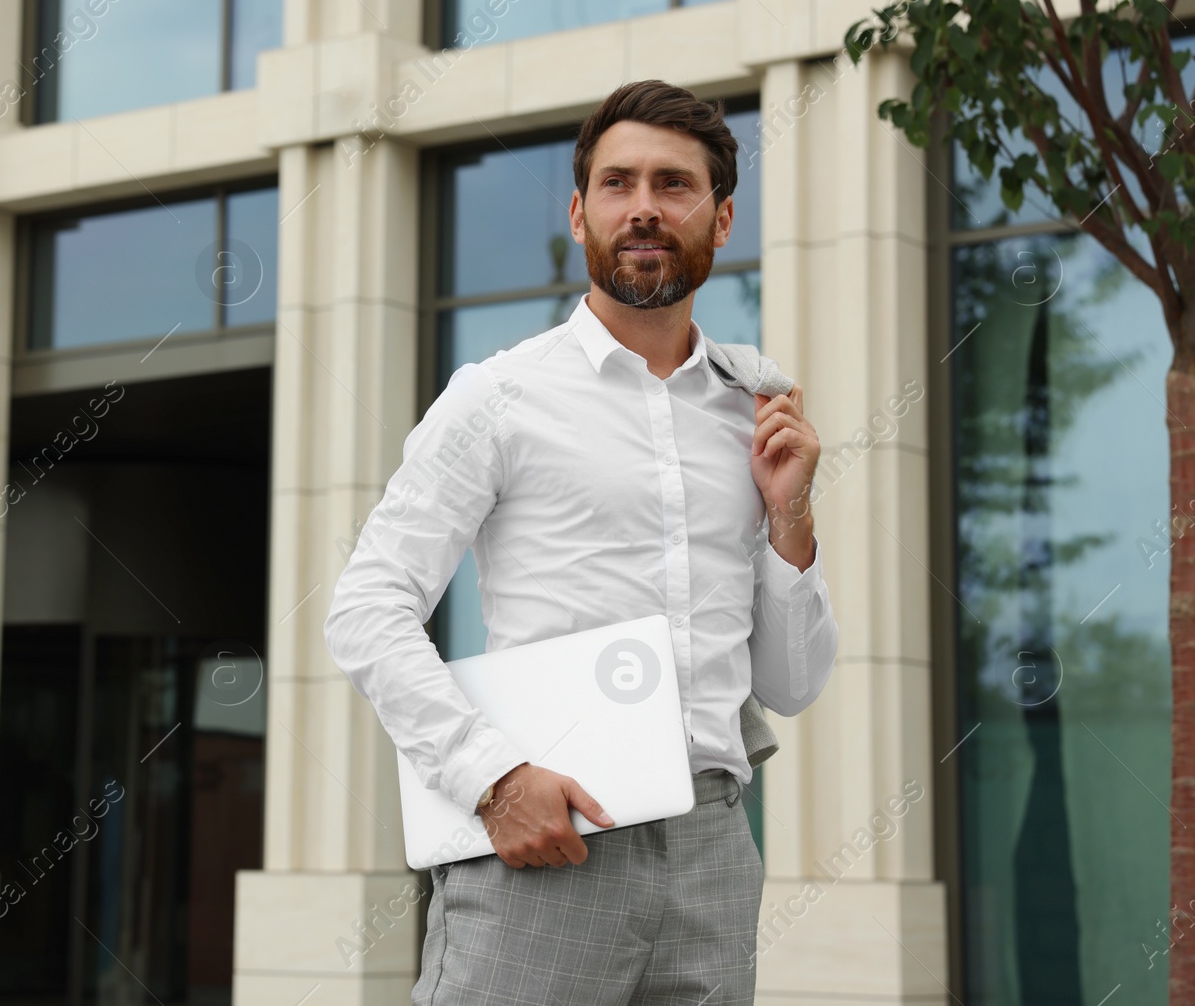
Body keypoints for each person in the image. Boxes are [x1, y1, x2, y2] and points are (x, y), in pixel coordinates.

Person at [323, 79, 840, 1005]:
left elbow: (792, 685)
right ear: (579, 212)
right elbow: (366, 607)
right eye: (618, 183)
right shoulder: (498, 397)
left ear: (722, 220)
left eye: (673, 185)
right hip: (547, 837)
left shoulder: (755, 411)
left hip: (713, 849)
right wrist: (491, 778)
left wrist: (790, 521)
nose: (643, 206)